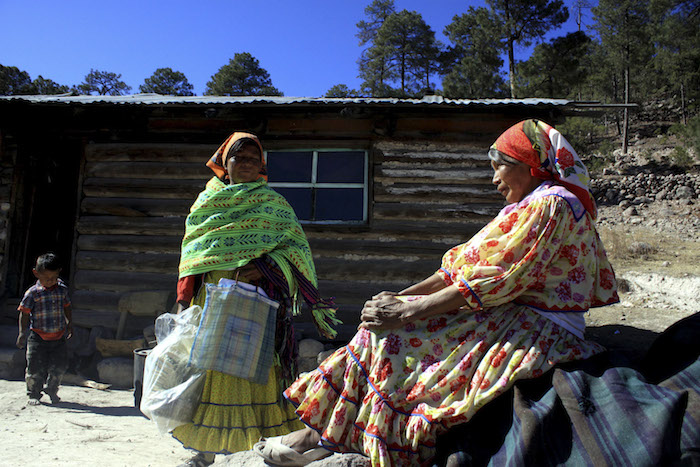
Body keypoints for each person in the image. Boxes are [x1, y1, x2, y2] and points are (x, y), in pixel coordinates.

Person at [254, 119, 620, 466]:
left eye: (500, 167)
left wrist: (407, 312)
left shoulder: (551, 204)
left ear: (529, 164)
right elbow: (461, 268)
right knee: (384, 324)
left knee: (395, 337)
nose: (494, 179)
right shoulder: (534, 203)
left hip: (537, 324)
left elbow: (499, 279)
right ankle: (324, 435)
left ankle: (323, 439)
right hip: (509, 312)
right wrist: (398, 299)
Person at [171, 132, 339, 467]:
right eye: (239, 158)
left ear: (261, 166)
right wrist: (183, 300)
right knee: (210, 368)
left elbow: (294, 251)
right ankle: (203, 450)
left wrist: (264, 267)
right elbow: (192, 254)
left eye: (252, 159)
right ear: (224, 163)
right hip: (213, 296)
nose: (245, 165)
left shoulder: (273, 205)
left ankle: (253, 449)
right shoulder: (207, 202)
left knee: (252, 368)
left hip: (255, 300)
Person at [16, 253, 73, 406]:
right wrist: (22, 333)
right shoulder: (33, 293)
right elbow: (24, 313)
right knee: (35, 367)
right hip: (38, 337)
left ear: (59, 272)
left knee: (59, 367)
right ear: (36, 273)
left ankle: (52, 389)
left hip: (58, 336)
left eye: (53, 277)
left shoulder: (62, 290)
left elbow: (67, 307)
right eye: (46, 278)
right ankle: (34, 393)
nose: (50, 281)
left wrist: (69, 323)